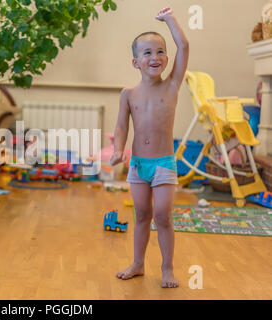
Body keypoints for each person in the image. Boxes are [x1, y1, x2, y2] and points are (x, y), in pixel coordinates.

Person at [110, 8, 189, 288]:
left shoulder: (172, 85)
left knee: (162, 215)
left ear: (167, 58)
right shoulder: (128, 94)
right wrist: (119, 150)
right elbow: (121, 126)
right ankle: (138, 263)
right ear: (135, 62)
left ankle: (167, 268)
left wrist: (169, 20)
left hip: (164, 163)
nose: (154, 57)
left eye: (160, 51)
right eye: (147, 53)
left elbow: (184, 45)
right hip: (138, 165)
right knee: (142, 214)